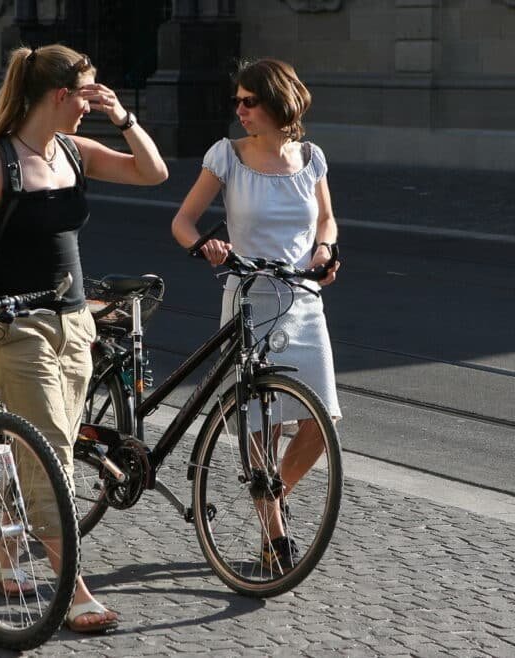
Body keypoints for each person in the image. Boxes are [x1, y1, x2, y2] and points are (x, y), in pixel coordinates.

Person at [0, 44, 167, 633]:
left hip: (74, 326)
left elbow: (152, 172)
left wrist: (125, 117)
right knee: (53, 457)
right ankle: (74, 593)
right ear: (61, 96)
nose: (92, 107)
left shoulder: (72, 152)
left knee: (37, 447)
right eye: (89, 96)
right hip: (19, 332)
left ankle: (4, 555)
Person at [170, 58, 341, 570]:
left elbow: (327, 220)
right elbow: (182, 221)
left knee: (322, 419)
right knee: (259, 426)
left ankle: (271, 493)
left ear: (277, 104)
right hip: (247, 297)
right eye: (237, 102)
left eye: (249, 102)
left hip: (302, 300)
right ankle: (273, 532)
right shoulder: (226, 156)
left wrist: (327, 251)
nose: (239, 110)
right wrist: (207, 245)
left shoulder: (311, 158)